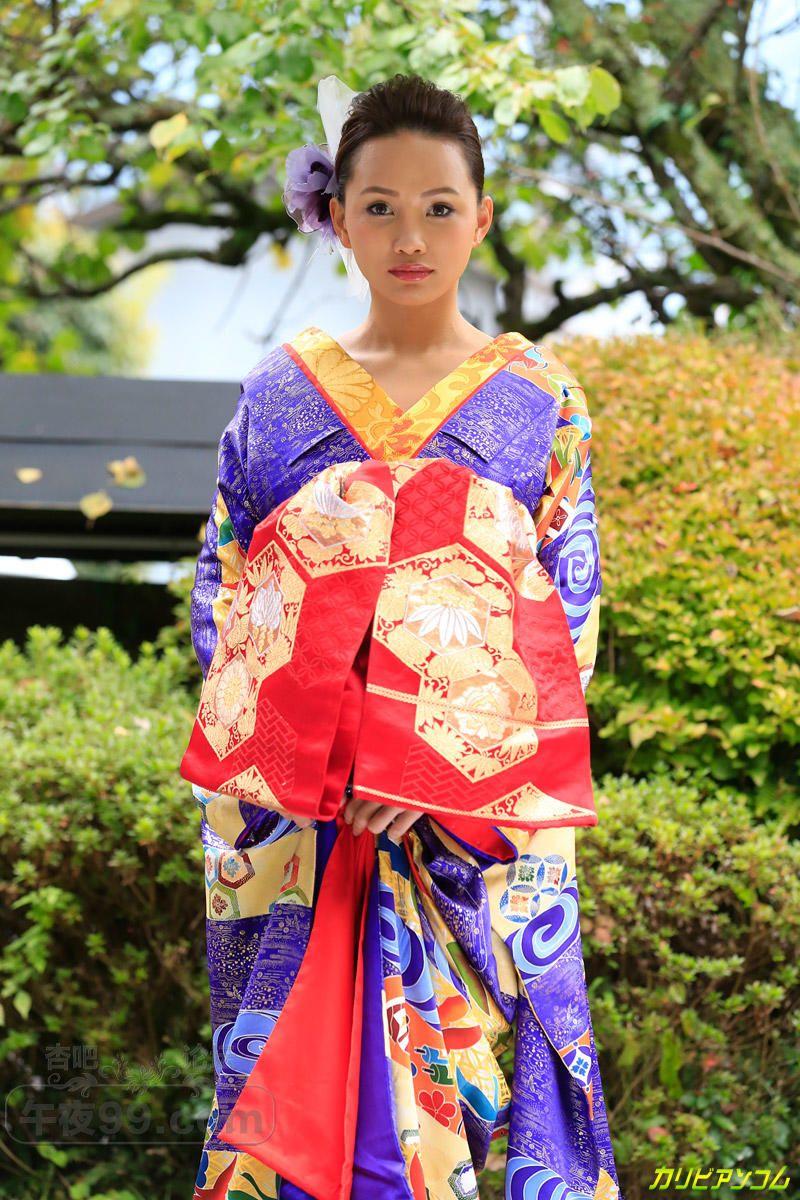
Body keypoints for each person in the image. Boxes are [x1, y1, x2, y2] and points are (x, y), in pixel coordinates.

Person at [189, 72, 619, 1200]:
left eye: (439, 207)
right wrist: (336, 759)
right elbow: (228, 596)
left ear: (482, 218)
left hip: (472, 825)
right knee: (291, 1110)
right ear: (337, 218)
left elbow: (564, 622)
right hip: (301, 813)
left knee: (453, 1111)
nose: (410, 237)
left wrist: (431, 772)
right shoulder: (277, 395)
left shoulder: (539, 399)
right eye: (378, 207)